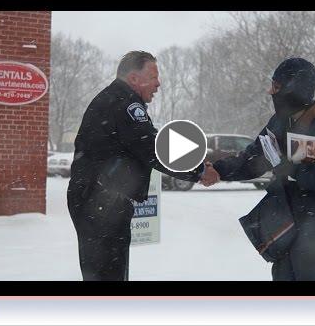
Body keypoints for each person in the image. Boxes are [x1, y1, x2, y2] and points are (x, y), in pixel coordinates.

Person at [67, 51, 219, 281]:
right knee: (108, 276)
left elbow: (150, 142)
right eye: (153, 76)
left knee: (104, 274)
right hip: (99, 203)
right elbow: (152, 148)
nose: (158, 83)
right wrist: (199, 171)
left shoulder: (118, 99)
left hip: (98, 199)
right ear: (134, 78)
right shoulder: (124, 103)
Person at [202, 58, 315, 281]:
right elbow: (253, 157)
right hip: (284, 224)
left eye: (276, 86)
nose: (269, 92)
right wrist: (217, 170)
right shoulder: (279, 122)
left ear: (293, 89)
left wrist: (290, 166)